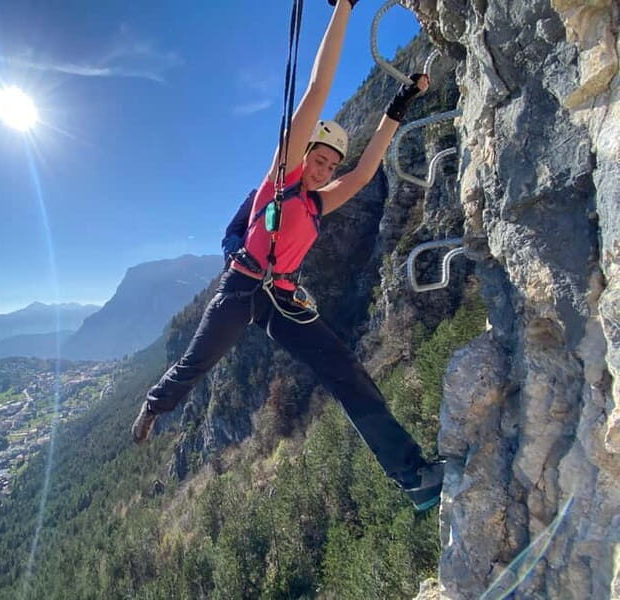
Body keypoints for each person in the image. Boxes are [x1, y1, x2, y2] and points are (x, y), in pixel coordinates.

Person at [132, 0, 444, 511]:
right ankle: (154, 404)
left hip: (281, 300)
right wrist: (343, 7)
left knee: (346, 371)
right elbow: (318, 90)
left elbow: (364, 173)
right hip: (240, 288)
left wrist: (399, 105)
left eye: (328, 164)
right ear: (302, 157)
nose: (322, 170)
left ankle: (412, 476)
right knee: (198, 359)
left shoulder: (322, 202)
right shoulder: (279, 180)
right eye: (317, 159)